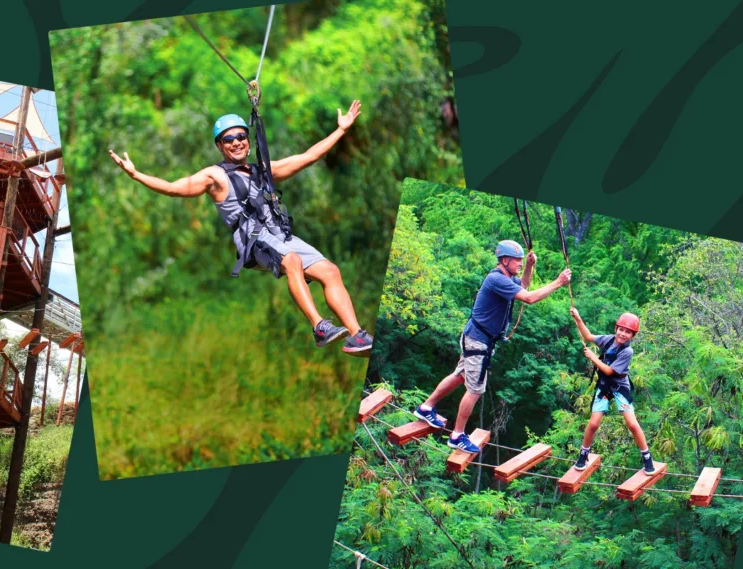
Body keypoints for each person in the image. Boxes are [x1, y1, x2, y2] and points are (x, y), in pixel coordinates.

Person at [108, 101, 373, 355]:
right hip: (253, 240)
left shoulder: (263, 171)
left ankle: (357, 335)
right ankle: (319, 327)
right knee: (291, 261)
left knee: (330, 271)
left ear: (248, 141)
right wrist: (136, 174)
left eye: (240, 136)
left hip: (279, 235)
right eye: (228, 139)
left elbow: (308, 157)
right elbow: (173, 188)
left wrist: (341, 129)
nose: (236, 142)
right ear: (220, 146)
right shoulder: (215, 177)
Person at [412, 240, 572, 453]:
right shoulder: (496, 279)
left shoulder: (507, 278)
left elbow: (523, 286)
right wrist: (558, 282)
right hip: (479, 341)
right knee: (475, 389)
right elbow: (530, 298)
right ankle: (457, 435)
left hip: (477, 338)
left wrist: (529, 267)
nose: (519, 263)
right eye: (517, 260)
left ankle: (426, 407)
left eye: (521, 260)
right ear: (505, 260)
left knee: (460, 375)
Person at [570, 308, 656, 475]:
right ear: (616, 329)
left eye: (628, 332)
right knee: (593, 423)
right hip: (604, 386)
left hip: (619, 387)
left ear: (632, 336)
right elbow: (588, 337)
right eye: (621, 330)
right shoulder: (609, 340)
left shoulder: (627, 351)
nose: (623, 334)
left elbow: (610, 371)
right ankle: (583, 454)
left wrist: (593, 358)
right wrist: (578, 318)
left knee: (632, 424)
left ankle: (647, 457)